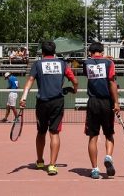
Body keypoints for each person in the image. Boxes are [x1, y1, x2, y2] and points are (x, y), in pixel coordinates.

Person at [19, 40, 78, 176]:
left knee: (41, 132)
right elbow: (75, 80)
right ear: (54, 51)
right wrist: (74, 89)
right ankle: (52, 165)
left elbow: (30, 81)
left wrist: (23, 98)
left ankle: (40, 161)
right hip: (57, 102)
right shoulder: (62, 64)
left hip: (42, 103)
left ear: (42, 52)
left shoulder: (38, 64)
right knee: (54, 133)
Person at [83, 42, 120, 179]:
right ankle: (108, 157)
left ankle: (94, 169)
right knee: (109, 135)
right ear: (102, 51)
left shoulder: (86, 63)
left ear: (90, 51)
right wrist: (116, 102)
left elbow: (92, 65)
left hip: (92, 103)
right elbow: (111, 83)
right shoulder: (109, 63)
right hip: (106, 103)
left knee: (93, 137)